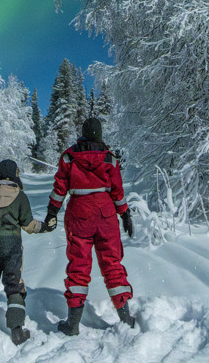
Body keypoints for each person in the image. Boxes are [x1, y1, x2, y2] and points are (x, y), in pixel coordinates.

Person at [44, 116, 136, 335]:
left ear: (83, 134)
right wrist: (125, 215)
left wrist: (51, 212)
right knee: (112, 263)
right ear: (100, 134)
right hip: (106, 214)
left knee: (78, 266)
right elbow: (117, 192)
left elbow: (59, 188)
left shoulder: (68, 157)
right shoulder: (110, 159)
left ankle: (72, 324)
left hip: (79, 213)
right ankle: (125, 318)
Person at [0, 159, 44, 345]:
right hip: (12, 245)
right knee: (13, 283)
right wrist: (42, 227)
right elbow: (28, 225)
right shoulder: (20, 197)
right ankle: (17, 332)